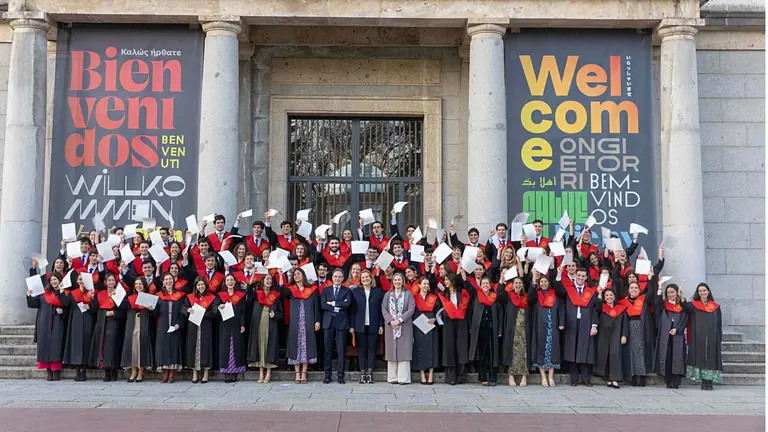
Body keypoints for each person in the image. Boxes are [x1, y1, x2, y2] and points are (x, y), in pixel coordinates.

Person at [554, 266, 598, 387]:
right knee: (571, 350)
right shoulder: (569, 290)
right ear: (575, 276)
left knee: (585, 351)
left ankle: (585, 378)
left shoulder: (591, 292)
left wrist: (594, 325)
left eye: (583, 276)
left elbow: (595, 309)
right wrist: (558, 275)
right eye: (578, 275)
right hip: (571, 323)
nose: (580, 278)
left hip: (586, 323)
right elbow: (558, 289)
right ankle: (574, 378)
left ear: (586, 277)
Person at [280, 268, 320, 383]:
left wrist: (317, 321)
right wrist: (280, 275)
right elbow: (282, 292)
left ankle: (304, 373)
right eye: (294, 274)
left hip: (308, 321)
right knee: (295, 345)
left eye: (299, 274)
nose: (296, 276)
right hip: (295, 322)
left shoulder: (311, 290)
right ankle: (297, 373)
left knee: (306, 346)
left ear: (303, 276)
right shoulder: (291, 290)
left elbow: (316, 306)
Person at [27, 272, 69, 381]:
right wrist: (29, 296)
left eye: (55, 280)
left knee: (56, 345)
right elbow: (35, 304)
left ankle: (56, 370)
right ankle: (48, 371)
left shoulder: (63, 293)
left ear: (60, 281)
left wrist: (62, 311)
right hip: (44, 322)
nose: (53, 282)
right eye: (52, 280)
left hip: (57, 322)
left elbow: (67, 305)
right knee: (45, 345)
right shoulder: (44, 293)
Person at [619, 274, 658, 387]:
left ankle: (642, 376)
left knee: (640, 352)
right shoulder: (623, 302)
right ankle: (633, 376)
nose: (634, 290)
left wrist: (651, 278)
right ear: (628, 290)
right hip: (628, 328)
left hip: (641, 327)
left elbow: (651, 292)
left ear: (639, 290)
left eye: (636, 288)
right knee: (630, 352)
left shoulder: (643, 299)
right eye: (631, 288)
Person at [684, 282, 723, 390]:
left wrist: (719, 337)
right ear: (698, 292)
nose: (702, 292)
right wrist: (681, 297)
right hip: (699, 337)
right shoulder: (694, 305)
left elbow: (719, 323)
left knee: (710, 359)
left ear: (708, 291)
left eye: (704, 290)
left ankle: (709, 382)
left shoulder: (715, 307)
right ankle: (703, 382)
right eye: (700, 291)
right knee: (701, 358)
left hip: (712, 338)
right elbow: (685, 307)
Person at [88, 273, 126, 382]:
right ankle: (106, 371)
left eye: (113, 280)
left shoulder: (119, 293)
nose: (111, 282)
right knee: (103, 346)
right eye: (109, 280)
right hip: (102, 322)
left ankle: (114, 370)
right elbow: (93, 308)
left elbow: (124, 309)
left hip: (114, 322)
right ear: (105, 282)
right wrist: (91, 298)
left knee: (113, 346)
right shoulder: (100, 294)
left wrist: (114, 312)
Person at [529, 271, 564, 387]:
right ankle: (543, 377)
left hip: (552, 325)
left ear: (549, 283)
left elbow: (560, 309)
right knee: (540, 348)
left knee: (552, 349)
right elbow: (530, 296)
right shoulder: (536, 294)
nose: (543, 283)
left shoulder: (554, 294)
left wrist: (561, 322)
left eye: (546, 281)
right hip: (539, 325)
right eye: (541, 282)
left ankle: (550, 377)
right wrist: (534, 279)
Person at [349, 269, 384, 384]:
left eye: (367, 277)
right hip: (359, 325)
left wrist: (380, 325)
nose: (365, 279)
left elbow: (380, 310)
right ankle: (362, 374)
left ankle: (369, 374)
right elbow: (352, 310)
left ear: (371, 278)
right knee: (361, 350)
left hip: (373, 324)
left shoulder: (378, 292)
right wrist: (352, 326)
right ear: (360, 280)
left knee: (371, 350)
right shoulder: (355, 292)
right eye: (363, 277)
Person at [247, 274, 283, 383]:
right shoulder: (257, 294)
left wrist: (275, 315)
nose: (269, 280)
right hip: (258, 322)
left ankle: (268, 372)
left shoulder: (275, 295)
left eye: (270, 279)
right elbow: (248, 292)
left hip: (270, 323)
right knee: (259, 344)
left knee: (268, 345)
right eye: (267, 278)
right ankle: (261, 372)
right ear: (262, 280)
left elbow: (280, 313)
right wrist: (253, 276)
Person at [182, 277, 219, 384]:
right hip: (193, 326)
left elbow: (214, 313)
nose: (200, 287)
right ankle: (194, 373)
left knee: (206, 348)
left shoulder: (212, 298)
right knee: (193, 347)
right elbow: (182, 308)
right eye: (198, 285)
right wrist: (187, 309)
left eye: (202, 285)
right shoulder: (190, 297)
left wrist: (203, 313)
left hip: (206, 325)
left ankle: (205, 373)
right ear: (196, 286)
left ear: (205, 286)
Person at [381, 273, 415, 385]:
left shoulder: (408, 294)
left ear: (403, 281)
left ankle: (403, 378)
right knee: (391, 351)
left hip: (404, 326)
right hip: (390, 326)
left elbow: (411, 309)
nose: (397, 282)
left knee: (404, 350)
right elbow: (384, 309)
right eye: (395, 280)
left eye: (399, 280)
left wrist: (399, 320)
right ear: (392, 282)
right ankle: (392, 377)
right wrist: (391, 321)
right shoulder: (387, 294)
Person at [653, 283, 689, 389]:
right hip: (666, 333)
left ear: (676, 293)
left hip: (677, 333)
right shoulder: (664, 304)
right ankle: (668, 380)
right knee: (667, 356)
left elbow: (686, 317)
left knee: (677, 356)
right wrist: (659, 288)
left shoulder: (682, 305)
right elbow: (656, 303)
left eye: (672, 292)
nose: (670, 294)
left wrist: (677, 328)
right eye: (668, 292)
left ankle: (676, 381)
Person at [468, 277, 502, 386]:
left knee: (493, 353)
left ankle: (493, 377)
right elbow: (471, 312)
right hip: (480, 328)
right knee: (482, 353)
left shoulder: (495, 297)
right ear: (480, 285)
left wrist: (500, 329)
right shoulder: (477, 296)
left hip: (493, 328)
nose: (485, 285)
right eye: (483, 283)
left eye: (487, 283)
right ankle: (482, 377)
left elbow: (500, 314)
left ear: (490, 285)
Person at [120, 278, 156, 383]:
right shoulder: (130, 297)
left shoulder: (149, 297)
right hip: (132, 324)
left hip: (144, 324)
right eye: (136, 284)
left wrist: (151, 309)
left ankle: (141, 371)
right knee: (133, 347)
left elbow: (155, 313)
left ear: (144, 285)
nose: (138, 286)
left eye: (140, 284)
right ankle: (133, 371)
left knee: (142, 346)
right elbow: (122, 307)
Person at [321, 268, 352, 384]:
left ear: (343, 278)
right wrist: (338, 306)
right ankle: (327, 375)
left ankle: (340, 375)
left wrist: (333, 303)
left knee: (341, 350)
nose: (337, 279)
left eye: (340, 277)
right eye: (335, 276)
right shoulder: (326, 290)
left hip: (341, 323)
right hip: (328, 323)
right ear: (332, 278)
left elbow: (347, 303)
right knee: (328, 350)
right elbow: (323, 305)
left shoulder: (347, 291)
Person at [63, 273, 96, 381]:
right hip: (76, 321)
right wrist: (61, 291)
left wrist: (90, 305)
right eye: (79, 279)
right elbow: (66, 304)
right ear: (77, 281)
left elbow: (96, 307)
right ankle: (77, 371)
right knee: (76, 346)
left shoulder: (91, 293)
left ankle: (84, 371)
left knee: (86, 344)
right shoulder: (73, 293)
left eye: (83, 279)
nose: (81, 281)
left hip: (88, 320)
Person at [438, 273, 471, 385]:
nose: (445, 282)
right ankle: (451, 377)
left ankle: (461, 376)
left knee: (461, 348)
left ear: (453, 281)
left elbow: (468, 309)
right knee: (449, 348)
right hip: (448, 323)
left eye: (447, 280)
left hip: (461, 322)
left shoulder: (462, 294)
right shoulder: (443, 295)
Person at [498, 276, 530, 387]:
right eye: (516, 283)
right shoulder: (508, 296)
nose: (518, 285)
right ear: (512, 285)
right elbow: (499, 296)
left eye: (519, 283)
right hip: (512, 328)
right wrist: (501, 282)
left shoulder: (525, 297)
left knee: (523, 351)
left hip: (523, 329)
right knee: (511, 351)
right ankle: (510, 375)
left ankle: (523, 375)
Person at [155, 273, 186, 383]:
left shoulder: (180, 295)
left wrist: (179, 324)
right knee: (163, 346)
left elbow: (183, 312)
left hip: (175, 324)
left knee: (174, 346)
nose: (168, 281)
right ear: (163, 282)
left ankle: (172, 372)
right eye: (166, 279)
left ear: (173, 281)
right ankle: (165, 371)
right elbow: (155, 313)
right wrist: (151, 308)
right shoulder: (158, 296)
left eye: (170, 279)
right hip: (163, 324)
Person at [594, 288, 628, 388]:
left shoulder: (621, 308)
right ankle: (608, 378)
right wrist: (599, 294)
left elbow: (625, 323)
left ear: (614, 296)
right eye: (607, 295)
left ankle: (615, 379)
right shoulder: (601, 307)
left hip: (616, 333)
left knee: (615, 355)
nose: (609, 297)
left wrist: (624, 335)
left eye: (611, 295)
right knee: (606, 355)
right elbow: (596, 306)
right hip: (604, 335)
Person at [217, 274, 248, 383]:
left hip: (236, 324)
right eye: (228, 280)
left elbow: (243, 311)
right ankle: (226, 372)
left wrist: (242, 324)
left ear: (235, 282)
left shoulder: (240, 295)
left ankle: (235, 371)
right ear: (225, 282)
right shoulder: (220, 296)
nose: (230, 282)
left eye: (232, 280)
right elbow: (214, 308)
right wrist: (218, 307)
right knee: (226, 347)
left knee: (236, 346)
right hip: (225, 324)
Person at [411, 277, 439, 385]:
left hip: (431, 326)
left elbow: (438, 312)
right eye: (424, 284)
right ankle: (422, 373)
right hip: (418, 326)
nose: (426, 286)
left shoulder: (434, 298)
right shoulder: (414, 298)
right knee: (420, 349)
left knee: (431, 349)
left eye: (427, 284)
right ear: (419, 285)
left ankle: (431, 374)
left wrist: (435, 319)